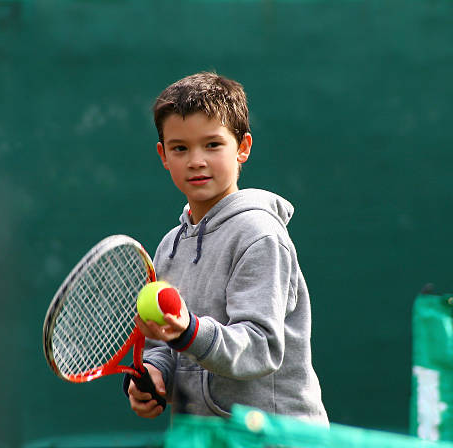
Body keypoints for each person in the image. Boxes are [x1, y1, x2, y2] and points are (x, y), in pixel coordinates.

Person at [124, 72, 328, 425]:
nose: (196, 161)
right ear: (163, 155)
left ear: (243, 148)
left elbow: (260, 346)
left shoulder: (260, 235)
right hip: (204, 435)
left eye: (213, 145)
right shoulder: (170, 247)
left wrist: (190, 331)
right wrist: (156, 375)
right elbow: (165, 343)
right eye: (180, 148)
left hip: (276, 438)